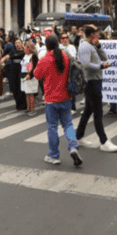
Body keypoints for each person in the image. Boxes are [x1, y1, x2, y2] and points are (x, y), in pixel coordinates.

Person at [34, 35, 82, 166]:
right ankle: (73, 147)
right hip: (66, 96)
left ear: (47, 45)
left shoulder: (45, 59)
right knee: (68, 125)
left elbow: (37, 74)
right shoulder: (65, 56)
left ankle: (54, 155)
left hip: (51, 99)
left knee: (52, 127)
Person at [76, 26, 117, 152]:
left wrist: (99, 46)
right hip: (92, 82)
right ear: (92, 34)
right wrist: (101, 66)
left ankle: (78, 136)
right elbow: (86, 64)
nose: (98, 35)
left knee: (88, 111)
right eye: (96, 33)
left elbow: (104, 58)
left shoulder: (92, 44)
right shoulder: (84, 46)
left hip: (96, 81)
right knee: (98, 112)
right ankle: (104, 141)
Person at [20, 39, 40, 116]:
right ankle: (29, 108)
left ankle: (32, 109)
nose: (24, 48)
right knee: (27, 93)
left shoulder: (34, 56)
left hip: (30, 76)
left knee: (31, 93)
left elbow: (35, 67)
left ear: (29, 48)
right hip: (24, 76)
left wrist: (30, 75)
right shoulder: (24, 55)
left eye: (26, 46)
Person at [7, 38, 27, 111]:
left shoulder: (25, 51)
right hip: (14, 71)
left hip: (22, 71)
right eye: (16, 43)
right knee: (15, 88)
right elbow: (7, 56)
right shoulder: (13, 51)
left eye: (18, 42)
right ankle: (18, 105)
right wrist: (1, 60)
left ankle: (24, 104)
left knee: (22, 88)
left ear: (22, 43)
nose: (17, 44)